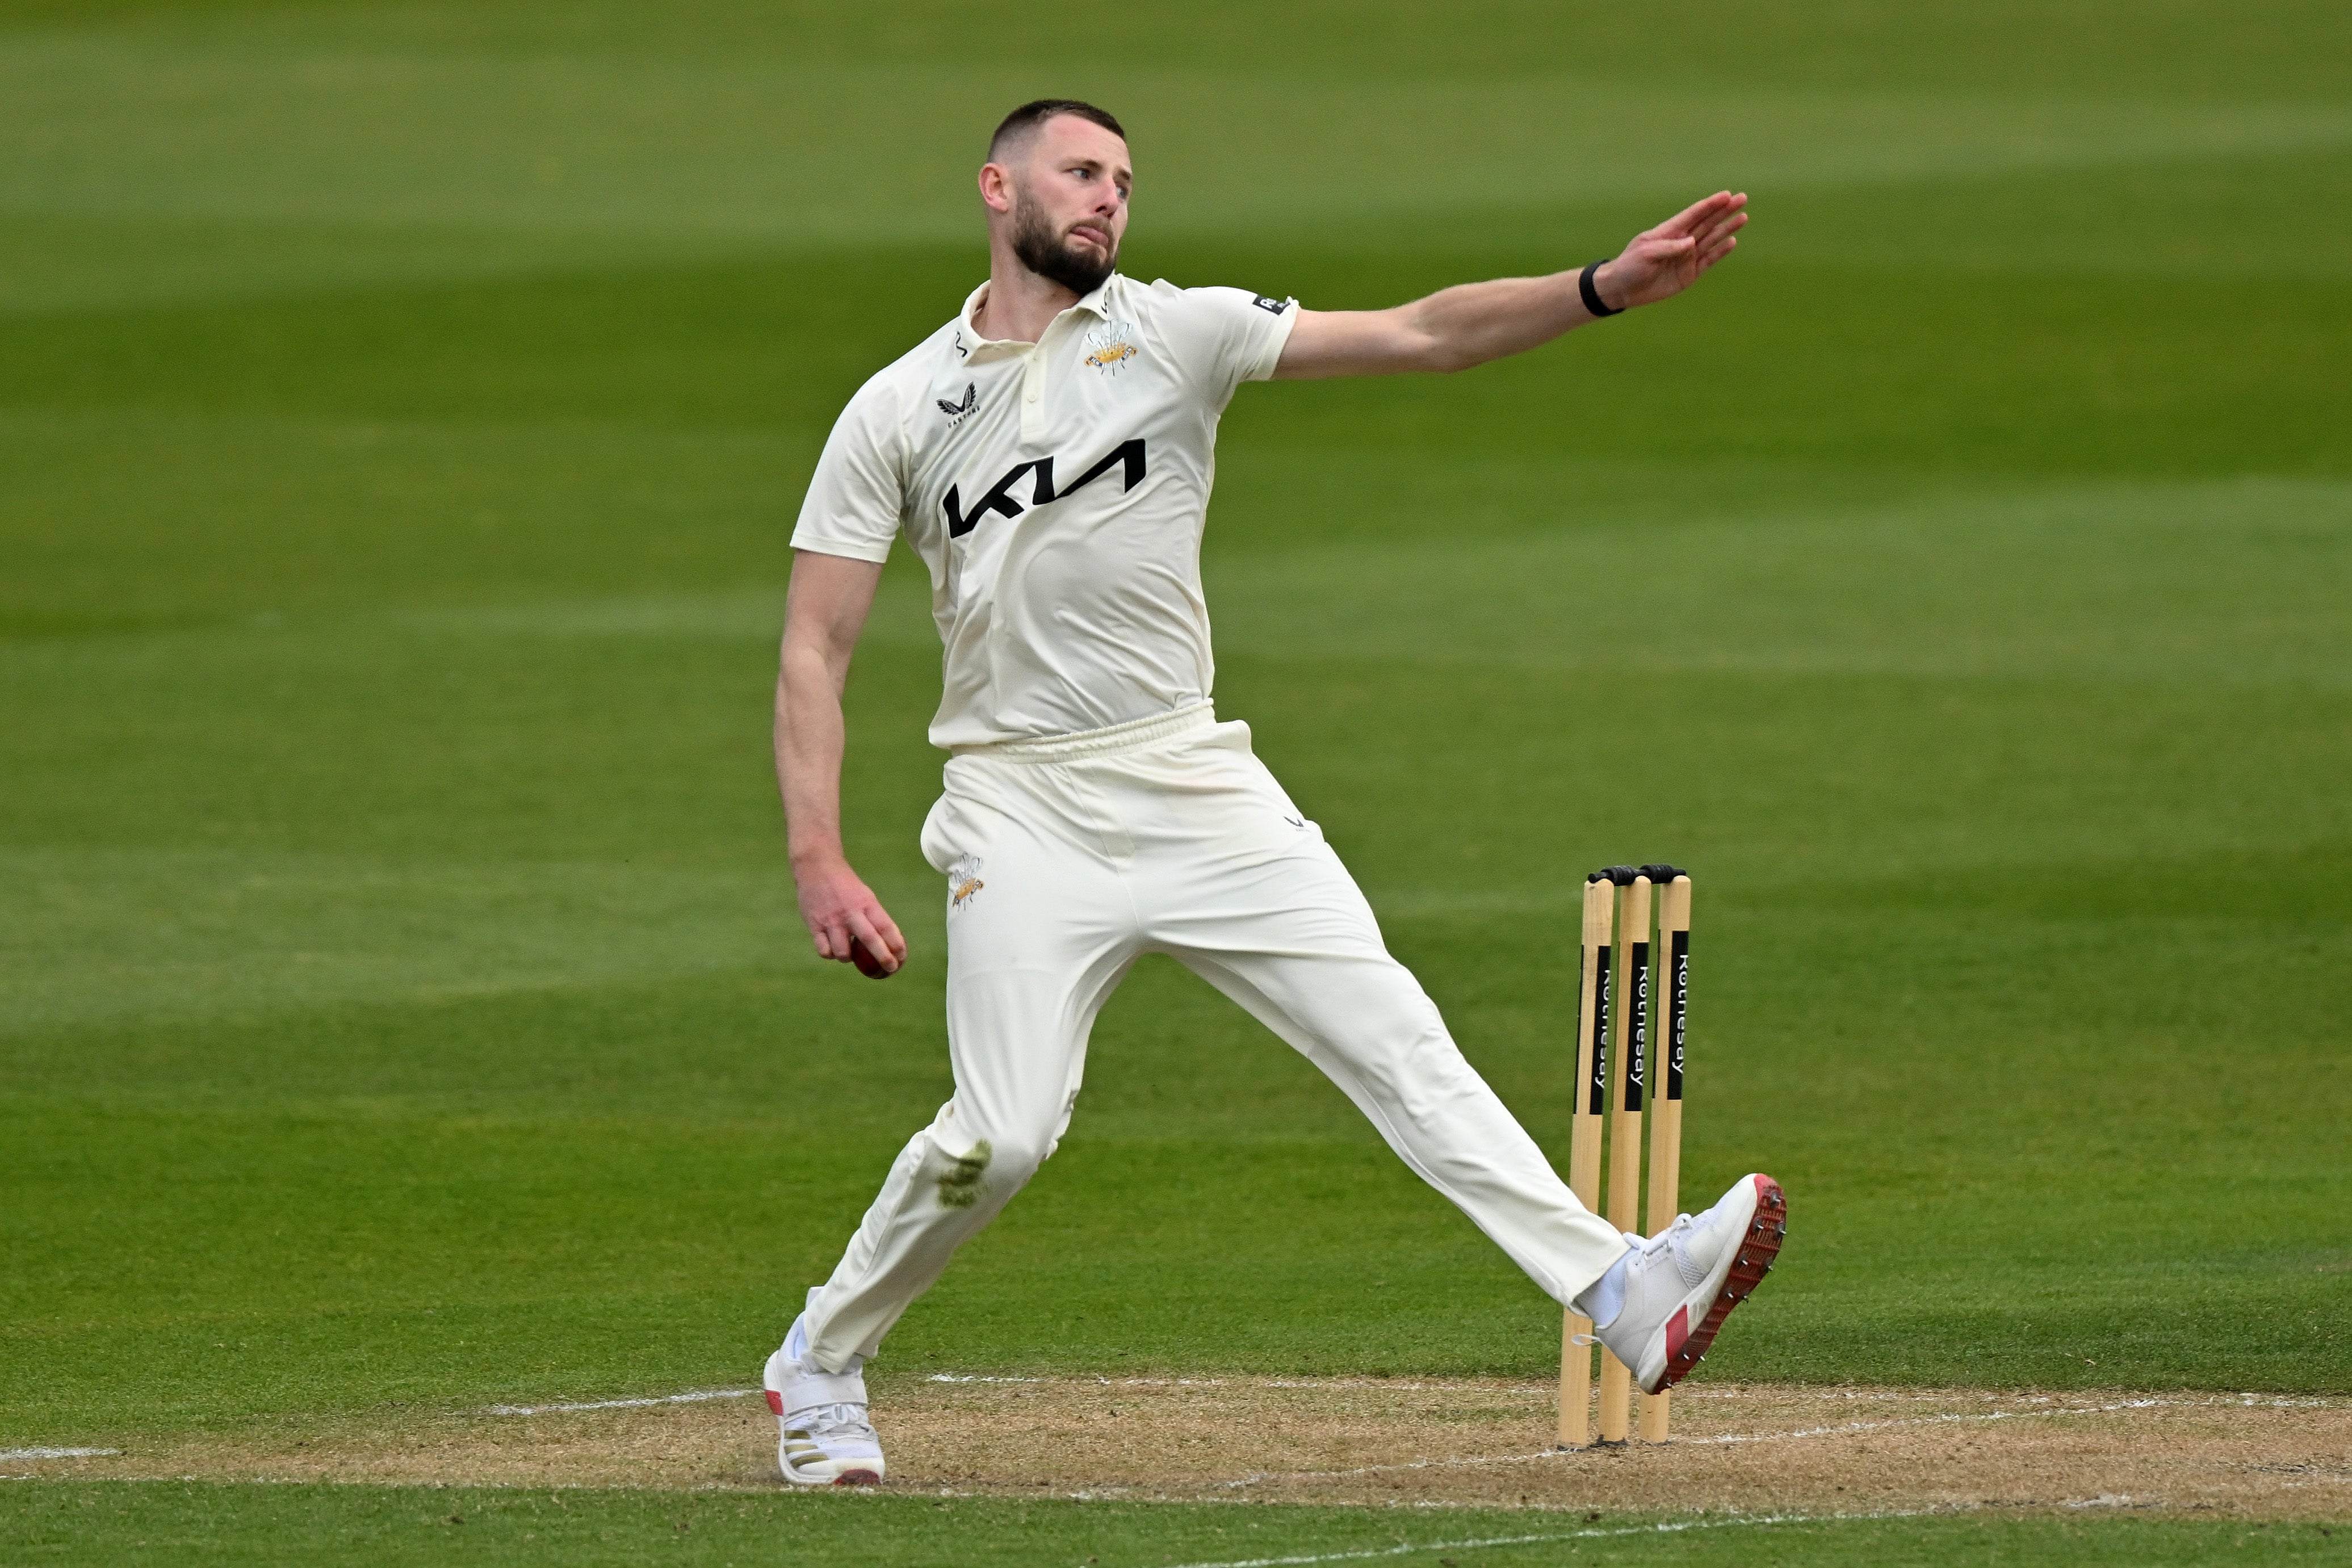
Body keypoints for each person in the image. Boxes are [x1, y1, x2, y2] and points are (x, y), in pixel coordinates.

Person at [763, 98, 1783, 1486]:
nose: (1108, 198)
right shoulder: (894, 404)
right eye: (1080, 172)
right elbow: (815, 646)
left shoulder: (1176, 330)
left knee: (1394, 1039)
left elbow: (1422, 332)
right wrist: (818, 856)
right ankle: (821, 1361)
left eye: (1123, 180)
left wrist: (1601, 288)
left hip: (1192, 779)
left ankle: (1624, 1293)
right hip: (1018, 804)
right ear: (997, 187)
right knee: (999, 1137)